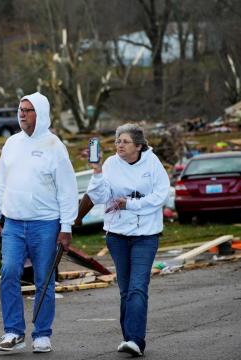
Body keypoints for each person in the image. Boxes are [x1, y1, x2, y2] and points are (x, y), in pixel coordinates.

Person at [0, 92, 78, 353]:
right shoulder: (11, 144)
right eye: (20, 109)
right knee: (8, 273)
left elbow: (68, 190)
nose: (22, 114)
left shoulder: (54, 146)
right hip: (14, 224)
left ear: (40, 114)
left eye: (28, 110)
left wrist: (66, 227)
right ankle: (13, 332)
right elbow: (1, 182)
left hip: (46, 224)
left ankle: (42, 334)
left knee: (44, 279)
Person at [85, 123, 169, 357]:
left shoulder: (152, 163)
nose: (119, 145)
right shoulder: (111, 164)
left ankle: (135, 340)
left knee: (138, 288)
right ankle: (128, 338)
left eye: (124, 141)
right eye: (117, 141)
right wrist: (97, 170)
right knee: (125, 290)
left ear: (139, 145)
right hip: (118, 236)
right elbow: (99, 196)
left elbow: (160, 195)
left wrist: (131, 204)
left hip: (146, 236)